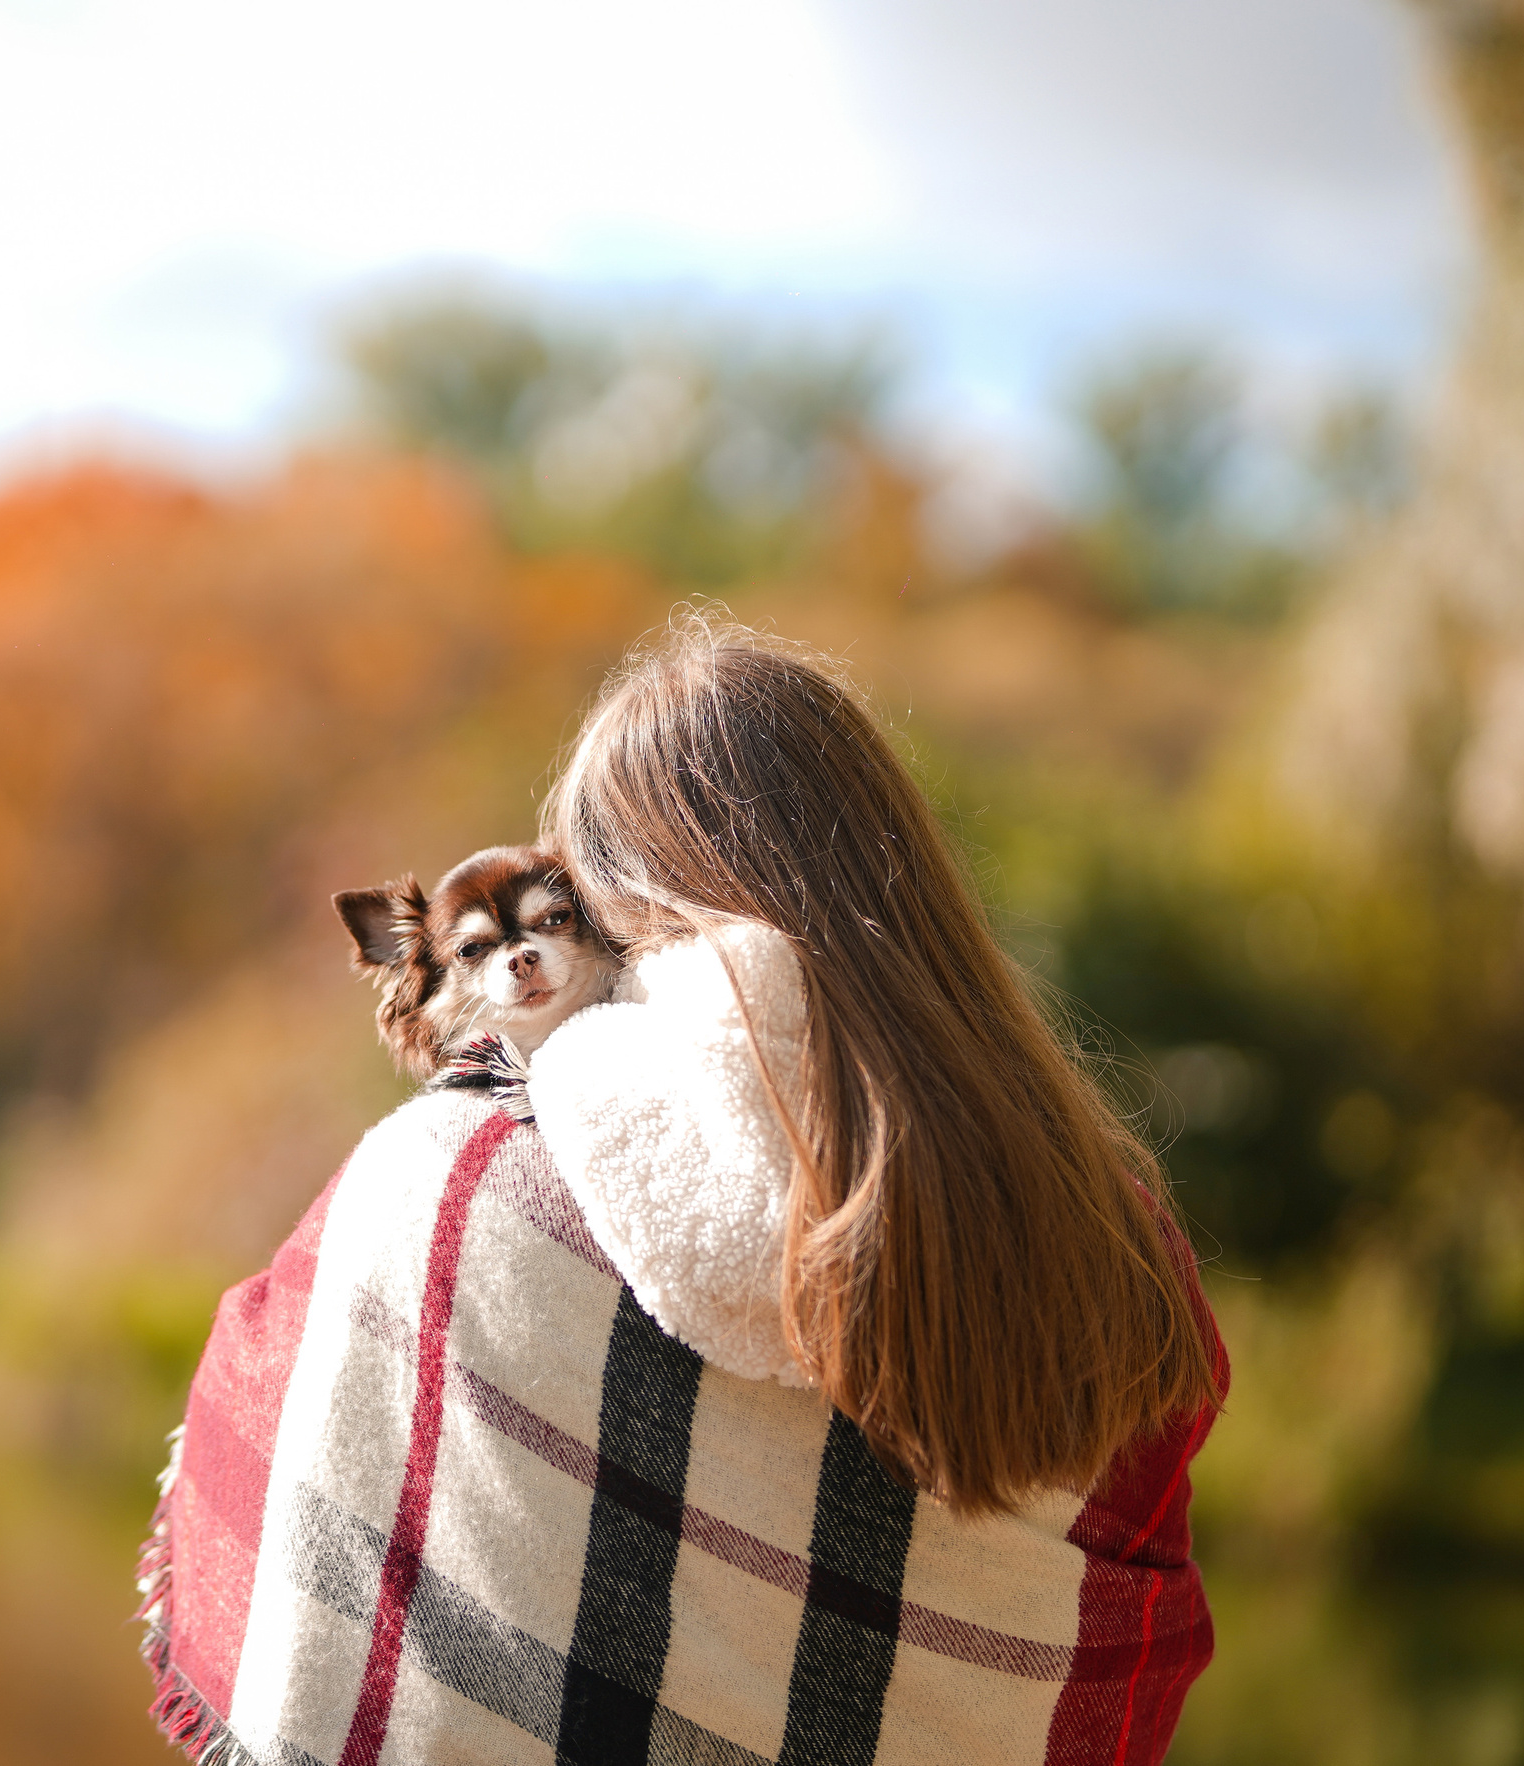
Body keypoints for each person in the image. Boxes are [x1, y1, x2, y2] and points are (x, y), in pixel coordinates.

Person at [138, 619, 1227, 1766]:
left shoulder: (454, 1184)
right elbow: (1113, 1637)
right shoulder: (1108, 1226)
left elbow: (280, 1464)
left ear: (612, 900)